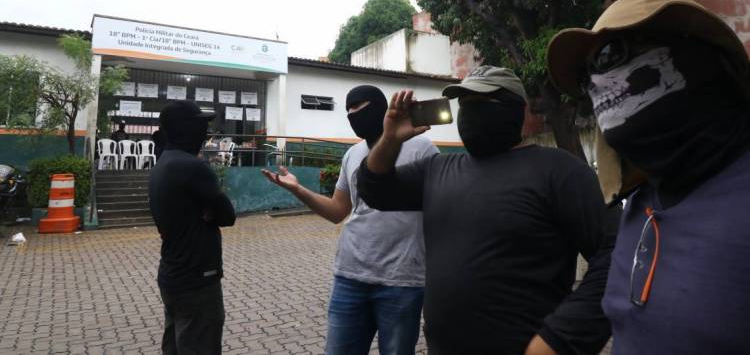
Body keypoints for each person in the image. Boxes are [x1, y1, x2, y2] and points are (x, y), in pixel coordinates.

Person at [357, 67, 618, 355]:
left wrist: (561, 338)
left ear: (514, 110)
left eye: (480, 103)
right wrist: (390, 139)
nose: (469, 112)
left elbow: (618, 253)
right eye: (464, 104)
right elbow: (375, 190)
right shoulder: (437, 169)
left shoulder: (560, 171)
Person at [546, 0, 750, 354]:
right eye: (584, 77)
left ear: (698, 52)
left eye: (611, 55)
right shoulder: (641, 201)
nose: (595, 84)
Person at [262, 85, 438, 355]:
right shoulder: (352, 155)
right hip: (350, 278)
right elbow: (336, 211)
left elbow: (438, 211)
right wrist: (298, 190)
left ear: (381, 108)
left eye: (359, 107)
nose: (353, 114)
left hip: (402, 281)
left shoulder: (422, 148)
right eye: (349, 110)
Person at [148, 101, 236, 355]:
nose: (205, 131)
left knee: (175, 345)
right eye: (201, 125)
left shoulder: (164, 162)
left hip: (173, 275)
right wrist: (209, 211)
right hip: (198, 278)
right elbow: (227, 215)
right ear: (188, 129)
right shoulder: (193, 167)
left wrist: (209, 211)